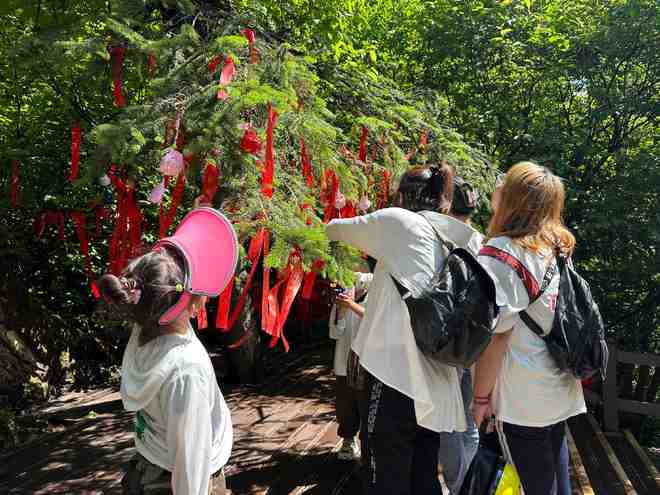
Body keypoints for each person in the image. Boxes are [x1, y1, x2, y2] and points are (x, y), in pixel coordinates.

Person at [326, 163, 467, 495]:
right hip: (438, 375)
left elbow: (335, 229)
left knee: (384, 469)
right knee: (423, 470)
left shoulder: (400, 223)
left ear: (404, 196)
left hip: (394, 375)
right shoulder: (454, 235)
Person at [98, 210, 235, 495]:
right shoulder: (186, 370)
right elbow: (191, 463)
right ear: (194, 303)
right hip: (179, 481)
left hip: (150, 465)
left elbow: (165, 299)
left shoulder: (145, 330)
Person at [473, 162, 586, 495]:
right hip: (557, 381)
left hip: (523, 392)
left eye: (503, 182)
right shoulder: (556, 247)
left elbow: (498, 336)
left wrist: (480, 397)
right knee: (553, 472)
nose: (497, 185)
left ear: (513, 198)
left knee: (537, 482)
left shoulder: (501, 253)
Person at [437, 176, 483, 495]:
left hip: (448, 343)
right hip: (478, 343)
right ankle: (468, 484)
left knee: (447, 422)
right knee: (467, 422)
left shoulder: (444, 239)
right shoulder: (482, 242)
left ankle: (457, 487)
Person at [329, 271, 373, 461]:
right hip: (344, 362)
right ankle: (348, 440)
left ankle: (369, 447)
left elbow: (376, 321)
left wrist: (352, 306)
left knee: (367, 404)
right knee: (346, 404)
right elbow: (334, 333)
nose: (357, 284)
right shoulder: (343, 300)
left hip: (368, 364)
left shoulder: (376, 297)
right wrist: (341, 312)